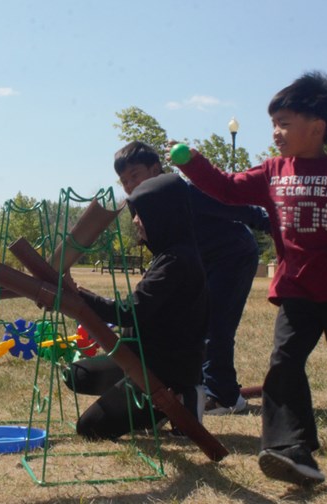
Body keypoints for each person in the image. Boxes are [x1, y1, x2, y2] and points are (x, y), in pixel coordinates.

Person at [173, 71, 327, 486]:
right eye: (272, 124)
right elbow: (226, 189)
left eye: (284, 123)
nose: (276, 133)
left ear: (317, 128)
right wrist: (194, 164)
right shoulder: (273, 171)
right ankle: (290, 450)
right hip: (296, 288)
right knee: (284, 363)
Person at [114, 141, 270, 415]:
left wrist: (272, 223)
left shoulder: (184, 192)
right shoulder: (140, 203)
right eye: (124, 180)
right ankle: (195, 385)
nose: (129, 184)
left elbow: (233, 207)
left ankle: (224, 396)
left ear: (156, 169)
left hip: (231, 256)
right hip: (194, 263)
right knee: (187, 323)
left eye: (135, 175)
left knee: (215, 323)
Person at [63, 173, 209, 440]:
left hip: (165, 370)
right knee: (78, 375)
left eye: (142, 214)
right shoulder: (169, 254)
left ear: (164, 215)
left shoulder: (177, 261)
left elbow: (129, 311)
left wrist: (78, 294)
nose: (135, 221)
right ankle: (140, 405)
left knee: (90, 429)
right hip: (141, 356)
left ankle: (180, 398)